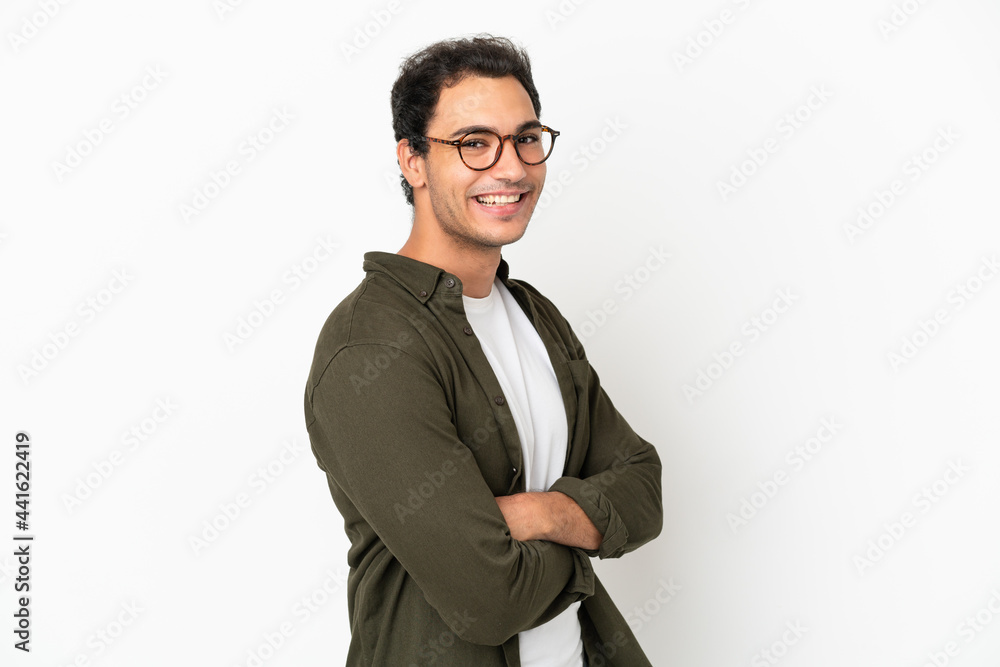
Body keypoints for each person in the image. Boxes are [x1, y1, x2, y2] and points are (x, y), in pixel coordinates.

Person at [303, 34, 663, 667]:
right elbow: (488, 599)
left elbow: (643, 487)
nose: (511, 167)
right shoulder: (370, 348)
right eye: (474, 143)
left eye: (526, 137)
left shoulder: (532, 313)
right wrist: (588, 532)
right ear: (412, 160)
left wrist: (543, 513)